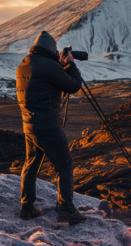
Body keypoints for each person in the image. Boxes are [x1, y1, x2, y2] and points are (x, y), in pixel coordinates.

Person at [16, 30, 87, 223]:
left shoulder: (24, 64)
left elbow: (44, 85)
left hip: (29, 125)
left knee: (31, 163)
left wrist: (59, 66)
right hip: (48, 126)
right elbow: (73, 85)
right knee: (64, 165)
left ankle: (27, 207)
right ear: (50, 49)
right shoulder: (49, 66)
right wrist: (70, 64)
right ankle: (66, 210)